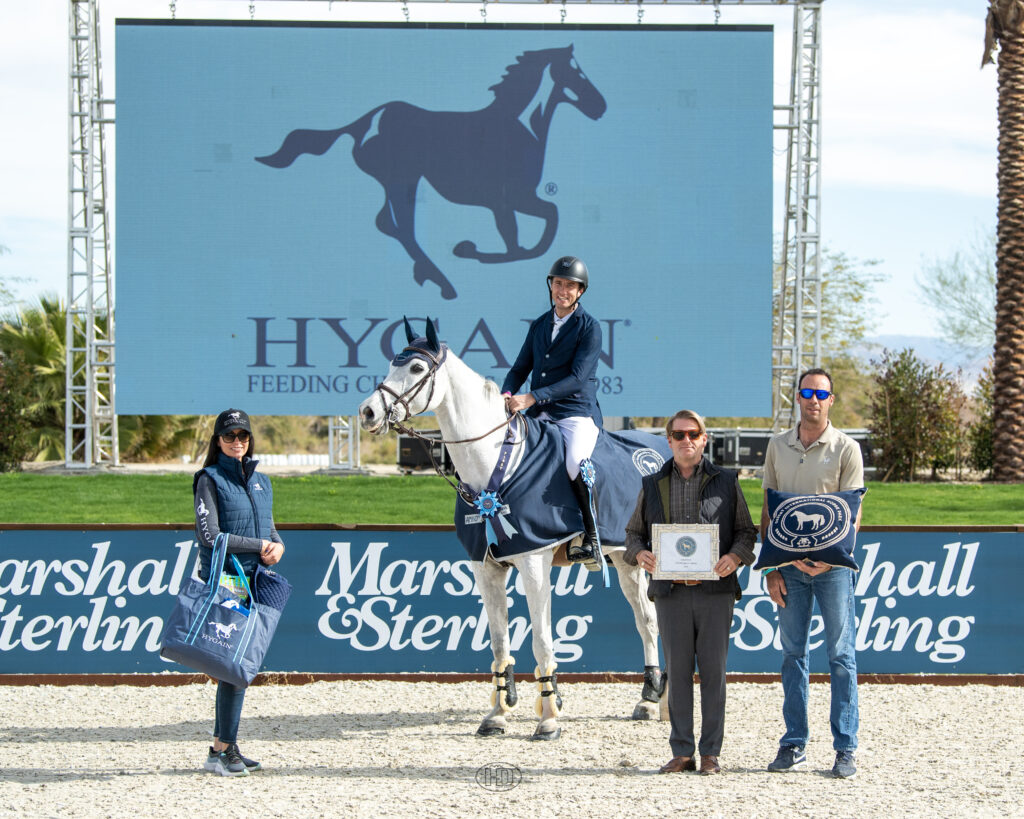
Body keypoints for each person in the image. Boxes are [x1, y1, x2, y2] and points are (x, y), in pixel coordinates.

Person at [624, 410, 756, 775]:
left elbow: (747, 532)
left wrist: (735, 556)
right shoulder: (653, 484)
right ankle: (682, 752)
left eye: (693, 434)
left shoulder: (726, 481)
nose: (686, 440)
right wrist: (640, 554)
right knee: (677, 674)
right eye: (679, 435)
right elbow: (633, 534)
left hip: (716, 593)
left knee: (714, 674)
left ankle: (711, 752)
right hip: (671, 594)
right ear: (668, 440)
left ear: (704, 439)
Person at [761, 368, 865, 779]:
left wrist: (830, 559)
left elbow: (852, 515)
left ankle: (845, 748)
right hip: (788, 569)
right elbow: (769, 510)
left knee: (841, 656)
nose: (814, 400)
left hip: (833, 570)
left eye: (821, 394)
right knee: (793, 655)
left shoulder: (846, 448)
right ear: (798, 397)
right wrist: (772, 567)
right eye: (807, 393)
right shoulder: (777, 445)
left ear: (831, 400)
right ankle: (794, 743)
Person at [192, 408, 285, 777]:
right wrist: (259, 545)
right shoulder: (209, 479)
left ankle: (221, 749)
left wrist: (278, 546)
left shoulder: (262, 482)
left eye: (243, 435)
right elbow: (210, 536)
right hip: (228, 580)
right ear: (218, 441)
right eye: (229, 435)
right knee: (235, 667)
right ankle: (224, 750)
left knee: (237, 666)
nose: (237, 441)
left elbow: (270, 530)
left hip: (257, 579)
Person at [502, 256, 604, 569]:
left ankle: (591, 536)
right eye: (558, 283)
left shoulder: (590, 327)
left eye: (570, 286)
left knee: (575, 462)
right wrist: (507, 393)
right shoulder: (540, 324)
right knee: (506, 453)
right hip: (540, 412)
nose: (562, 290)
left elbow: (577, 378)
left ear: (580, 291)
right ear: (551, 286)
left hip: (575, 412)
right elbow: (520, 367)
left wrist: (532, 397)